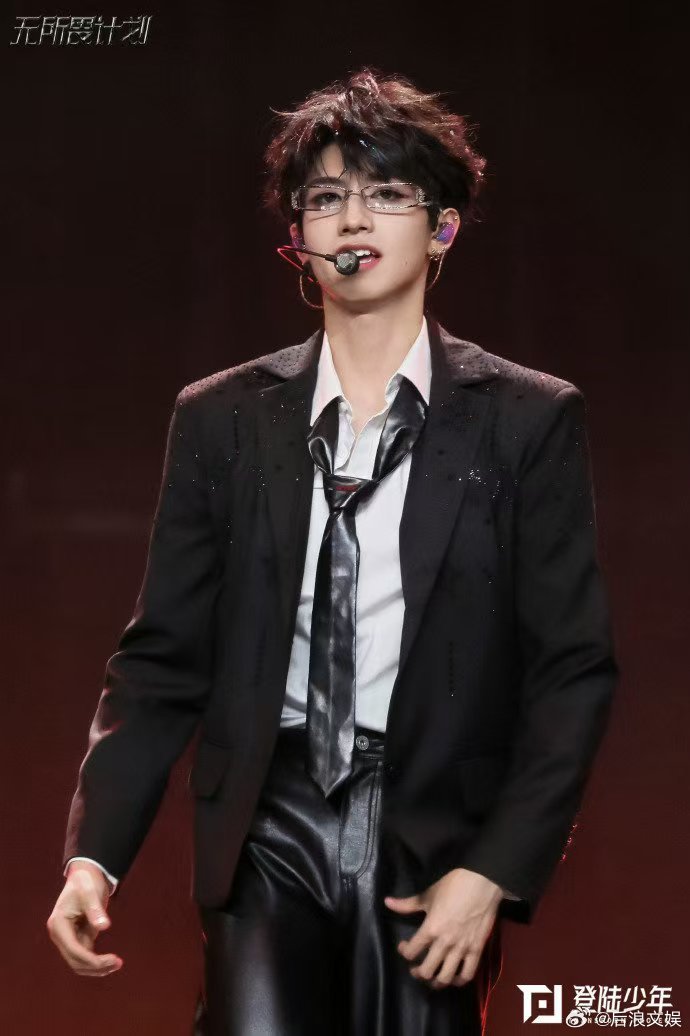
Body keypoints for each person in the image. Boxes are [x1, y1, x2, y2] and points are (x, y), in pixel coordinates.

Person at [47, 68, 620, 1035]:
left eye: (386, 192)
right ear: (300, 241)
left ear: (441, 229)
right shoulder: (224, 418)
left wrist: (493, 871)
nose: (353, 217)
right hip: (266, 819)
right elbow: (161, 659)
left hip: (430, 828)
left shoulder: (526, 418)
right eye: (325, 197)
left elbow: (572, 670)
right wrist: (92, 859)